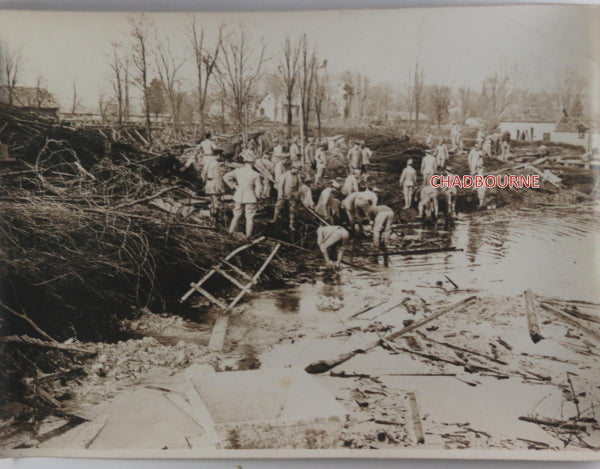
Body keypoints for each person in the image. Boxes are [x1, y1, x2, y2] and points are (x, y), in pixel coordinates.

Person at [224, 152, 263, 238]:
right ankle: (248, 236)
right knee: (249, 217)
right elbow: (259, 188)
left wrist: (234, 186)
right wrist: (258, 197)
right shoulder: (255, 174)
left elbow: (226, 177)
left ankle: (230, 232)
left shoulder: (238, 171)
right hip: (250, 197)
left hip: (239, 196)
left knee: (236, 215)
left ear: (245, 161)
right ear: (253, 163)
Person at [272, 162, 302, 230]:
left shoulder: (297, 175)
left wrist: (298, 193)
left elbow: (299, 185)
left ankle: (291, 224)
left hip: (293, 194)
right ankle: (274, 219)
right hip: (284, 194)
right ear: (293, 168)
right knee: (278, 206)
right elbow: (280, 186)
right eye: (297, 170)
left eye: (299, 170)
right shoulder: (285, 175)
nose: (298, 171)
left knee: (292, 210)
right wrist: (281, 194)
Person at [201, 152, 224, 226]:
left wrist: (205, 183)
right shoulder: (216, 163)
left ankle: (212, 220)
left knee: (212, 203)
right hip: (215, 185)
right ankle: (215, 223)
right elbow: (218, 177)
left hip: (209, 185)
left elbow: (203, 175)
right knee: (216, 204)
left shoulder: (207, 162)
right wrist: (221, 188)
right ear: (217, 155)